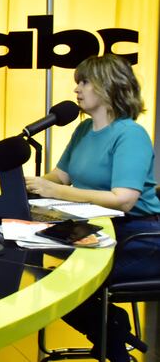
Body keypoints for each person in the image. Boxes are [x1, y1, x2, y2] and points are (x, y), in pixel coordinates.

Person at [25, 54, 160, 362]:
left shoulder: (131, 134)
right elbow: (61, 176)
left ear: (109, 85)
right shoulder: (84, 131)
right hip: (96, 228)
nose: (77, 90)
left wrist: (56, 191)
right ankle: (114, 331)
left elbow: (123, 198)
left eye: (84, 82)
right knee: (42, 278)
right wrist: (27, 184)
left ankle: (113, 346)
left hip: (139, 236)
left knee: (68, 288)